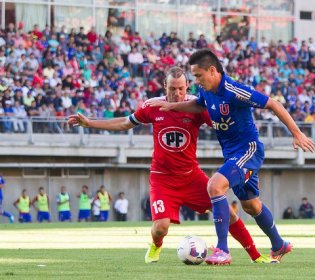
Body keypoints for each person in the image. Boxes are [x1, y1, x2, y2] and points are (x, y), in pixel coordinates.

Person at [68, 66, 275, 265]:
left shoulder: (197, 107)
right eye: (172, 89)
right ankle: (156, 245)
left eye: (181, 89)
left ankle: (255, 255)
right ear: (164, 87)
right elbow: (125, 123)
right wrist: (91, 123)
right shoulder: (151, 106)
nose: (177, 93)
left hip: (191, 175)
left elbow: (225, 122)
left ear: (188, 88)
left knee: (228, 214)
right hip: (162, 178)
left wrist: (245, 145)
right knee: (161, 227)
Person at [148, 49, 315, 264]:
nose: (196, 81)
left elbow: (273, 104)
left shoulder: (234, 90)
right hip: (232, 155)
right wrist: (172, 106)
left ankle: (222, 250)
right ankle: (279, 244)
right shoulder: (206, 91)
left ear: (212, 71)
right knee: (251, 206)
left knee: (214, 186)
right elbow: (198, 105)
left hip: (248, 150)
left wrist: (296, 132)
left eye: (198, 76)